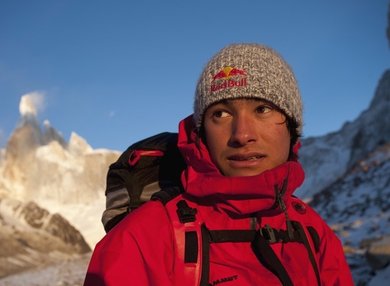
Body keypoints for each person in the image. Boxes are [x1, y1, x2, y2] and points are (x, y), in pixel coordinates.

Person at [84, 43, 354, 285]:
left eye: (262, 109)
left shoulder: (314, 234)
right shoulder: (141, 240)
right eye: (221, 113)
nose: (242, 134)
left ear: (292, 128)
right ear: (201, 133)